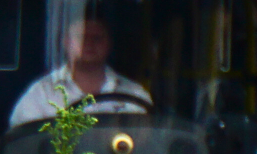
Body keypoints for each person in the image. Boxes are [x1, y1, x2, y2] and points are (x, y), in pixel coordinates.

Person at [10, 11, 155, 128]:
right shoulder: (41, 94)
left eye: (97, 38)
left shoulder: (134, 94)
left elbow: (143, 147)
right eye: (81, 37)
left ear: (109, 43)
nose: (89, 43)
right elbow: (22, 146)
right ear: (66, 42)